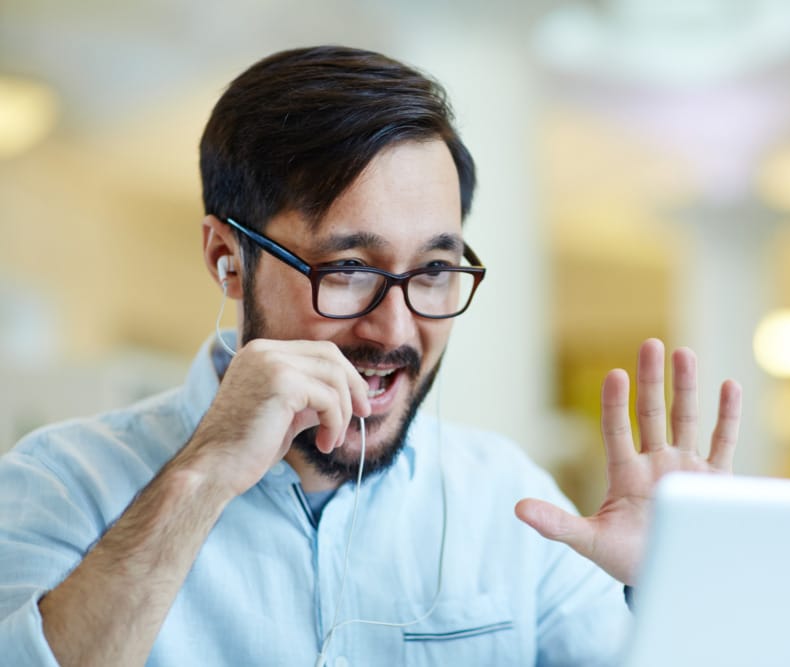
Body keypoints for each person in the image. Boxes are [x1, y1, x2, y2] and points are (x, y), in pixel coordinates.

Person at [0, 45, 742, 666]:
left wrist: (680, 591)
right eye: (349, 268)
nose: (395, 329)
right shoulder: (62, 482)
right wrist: (201, 477)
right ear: (228, 258)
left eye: (434, 270)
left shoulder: (506, 499)